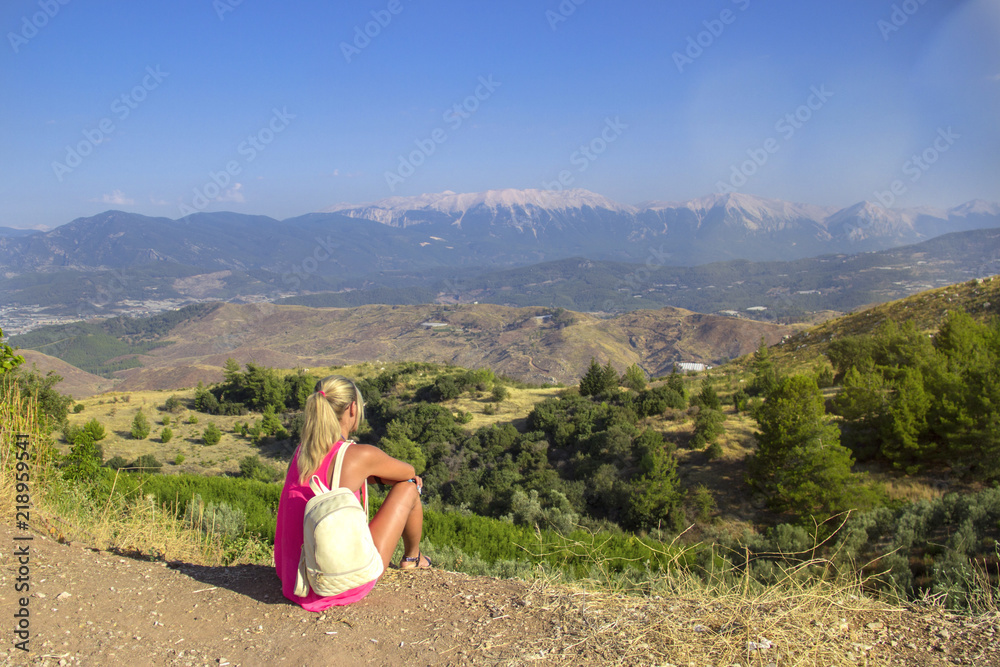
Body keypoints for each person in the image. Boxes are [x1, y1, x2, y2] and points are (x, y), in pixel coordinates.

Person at [274, 374, 430, 611]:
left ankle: (413, 558)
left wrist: (370, 474)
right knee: (410, 486)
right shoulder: (359, 455)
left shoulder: (302, 451)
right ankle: (413, 558)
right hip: (338, 582)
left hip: (294, 579)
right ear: (352, 408)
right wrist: (374, 472)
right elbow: (409, 471)